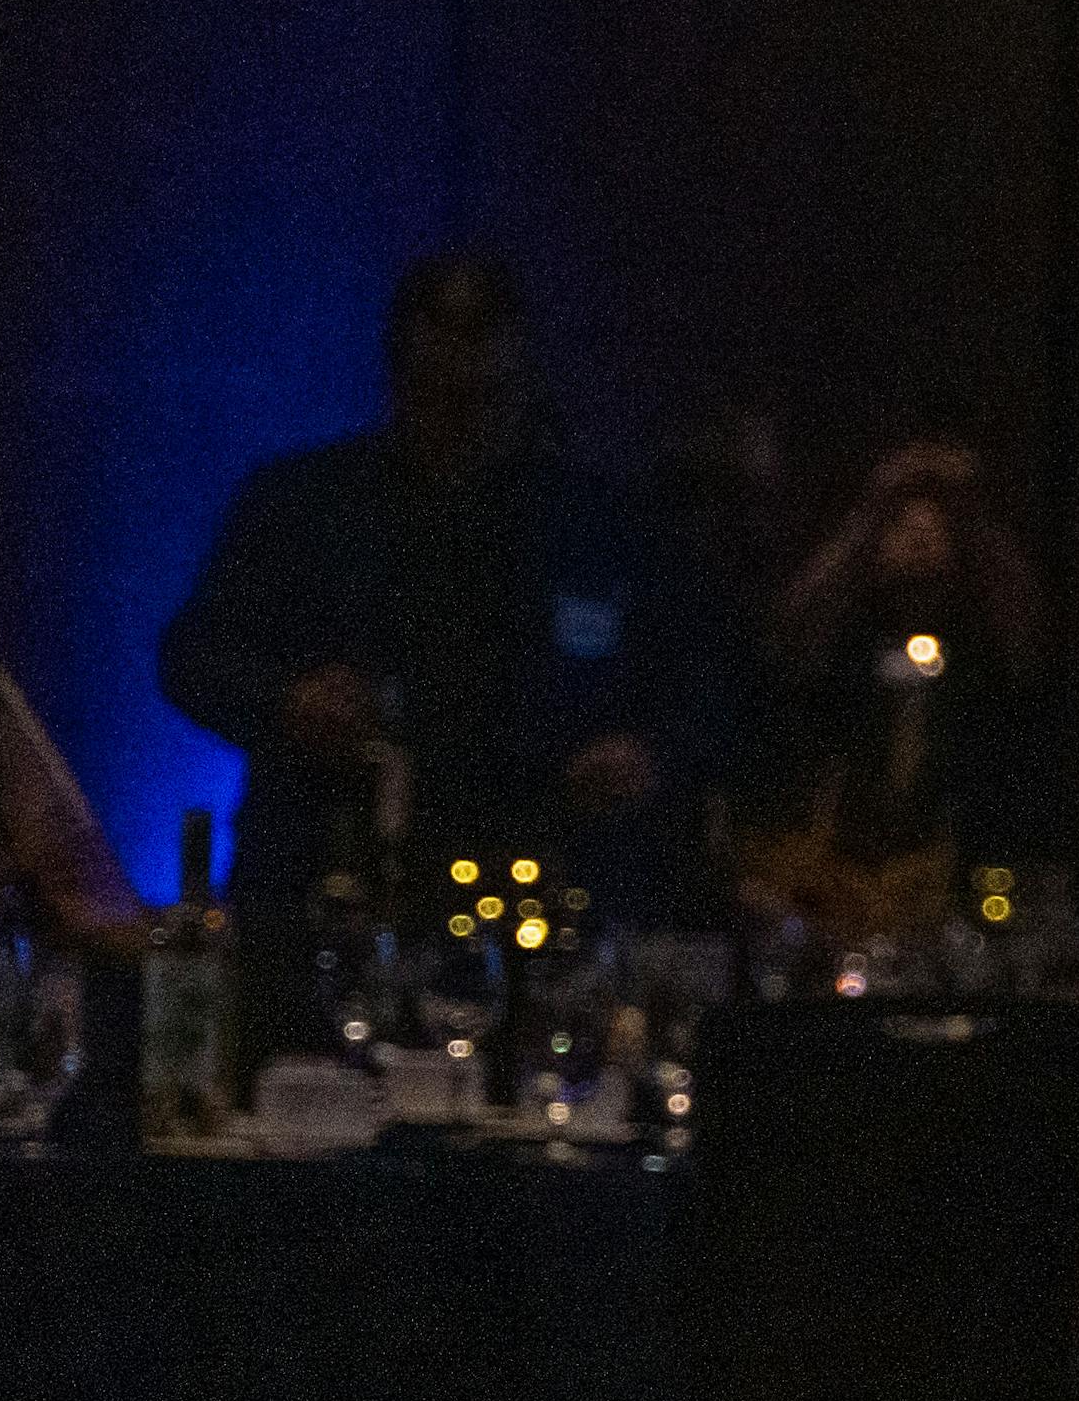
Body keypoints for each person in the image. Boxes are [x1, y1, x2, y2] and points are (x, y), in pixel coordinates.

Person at [154, 254, 699, 934]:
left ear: (523, 383)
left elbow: (699, 687)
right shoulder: (306, 505)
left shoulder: (598, 527)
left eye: (488, 393)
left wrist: (649, 756)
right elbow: (191, 654)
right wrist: (288, 701)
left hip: (540, 889)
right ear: (400, 380)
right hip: (329, 876)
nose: (465, 418)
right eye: (442, 390)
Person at [744, 431, 1053, 877]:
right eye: (903, 525)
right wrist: (876, 506)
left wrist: (967, 509)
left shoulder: (982, 634)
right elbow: (792, 630)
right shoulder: (846, 632)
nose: (920, 536)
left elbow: (1025, 624)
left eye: (937, 526)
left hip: (962, 864)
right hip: (839, 870)